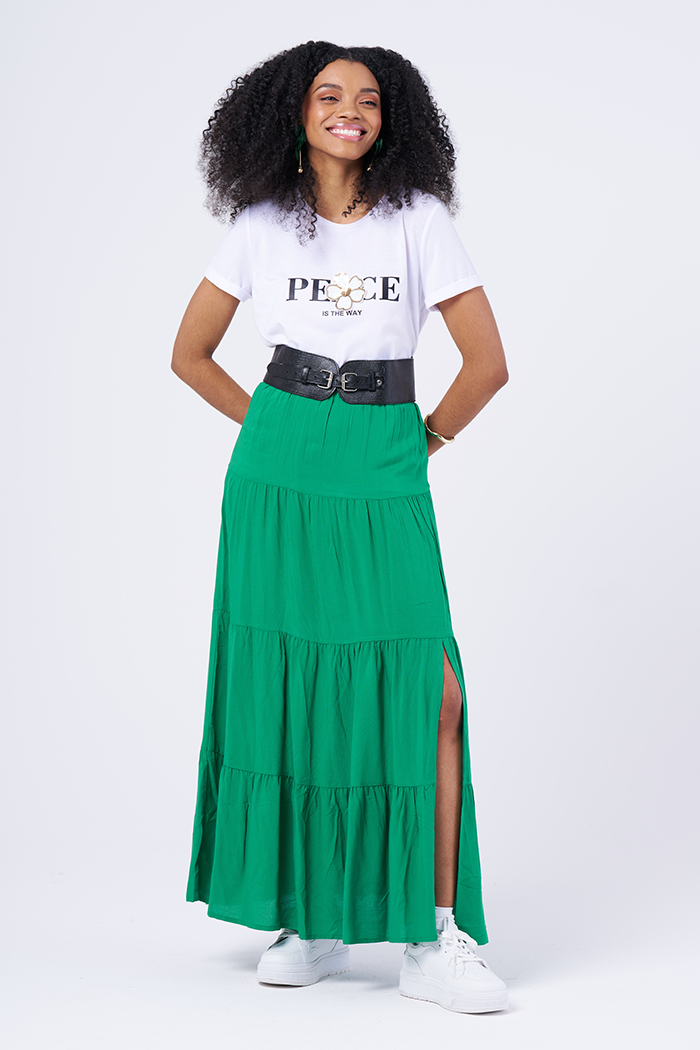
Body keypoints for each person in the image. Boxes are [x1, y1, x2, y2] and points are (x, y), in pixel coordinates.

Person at [172, 41, 509, 1014]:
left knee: (431, 692)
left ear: (391, 118)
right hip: (279, 466)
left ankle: (431, 937)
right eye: (328, 95)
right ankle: (310, 920)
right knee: (292, 686)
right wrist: (280, 435)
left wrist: (419, 443)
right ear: (294, 111)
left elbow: (487, 363)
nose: (348, 109)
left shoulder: (420, 220)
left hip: (383, 453)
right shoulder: (259, 225)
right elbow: (190, 354)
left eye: (367, 98)